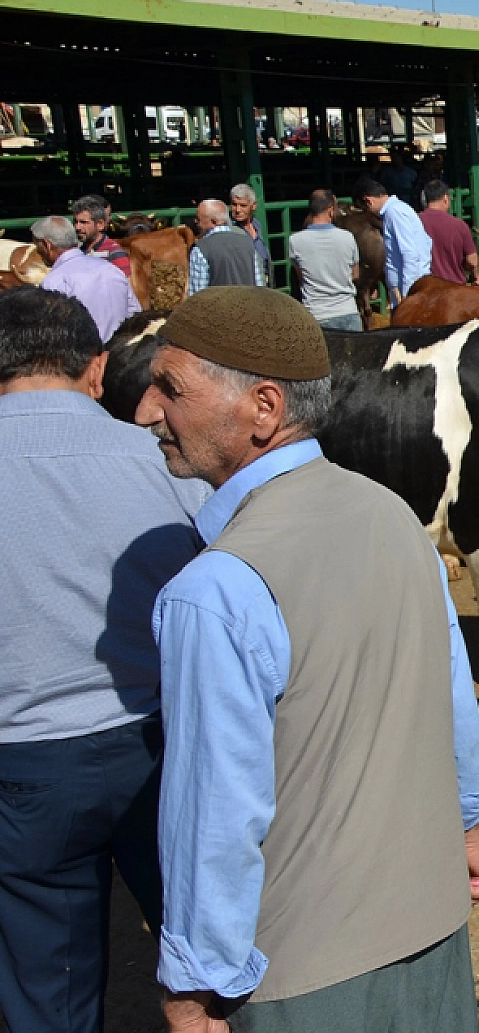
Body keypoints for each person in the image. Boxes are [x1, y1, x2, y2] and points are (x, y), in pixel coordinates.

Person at [135, 286, 479, 1033]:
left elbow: (215, 814)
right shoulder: (392, 515)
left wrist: (195, 985)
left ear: (264, 407)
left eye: (170, 388)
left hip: (303, 973)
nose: (145, 411)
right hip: (431, 924)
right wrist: (464, 826)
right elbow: (453, 705)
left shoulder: (214, 590)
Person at [0, 289, 207, 1033]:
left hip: (24, 761)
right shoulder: (163, 461)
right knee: (204, 939)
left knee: (46, 983)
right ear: (96, 368)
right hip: (158, 740)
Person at [34, 215, 140, 340]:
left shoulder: (54, 282)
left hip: (82, 351)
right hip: (118, 349)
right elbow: (135, 314)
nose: (37, 251)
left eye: (37, 246)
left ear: (47, 245)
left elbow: (51, 333)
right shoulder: (111, 269)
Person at [285, 190, 362, 330]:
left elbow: (301, 278)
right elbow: (355, 274)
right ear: (331, 210)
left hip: (317, 314)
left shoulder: (295, 241)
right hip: (347, 311)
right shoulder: (348, 237)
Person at [352, 176, 432, 301]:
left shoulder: (394, 212)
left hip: (408, 289)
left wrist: (407, 294)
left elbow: (409, 253)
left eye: (364, 209)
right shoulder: (396, 210)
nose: (367, 213)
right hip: (407, 288)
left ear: (368, 201)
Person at [188, 200, 263, 295]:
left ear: (213, 221)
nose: (196, 222)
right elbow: (259, 284)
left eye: (199, 219)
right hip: (248, 302)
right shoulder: (248, 243)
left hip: (217, 304)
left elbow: (197, 295)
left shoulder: (200, 249)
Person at [417, 179, 479, 286]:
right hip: (455, 288)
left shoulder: (415, 222)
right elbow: (472, 261)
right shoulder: (459, 225)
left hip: (426, 288)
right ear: (445, 198)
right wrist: (475, 277)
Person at [70, 194, 131, 276]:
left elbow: (125, 282)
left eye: (83, 222)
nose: (77, 227)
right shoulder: (76, 252)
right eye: (75, 222)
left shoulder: (114, 253)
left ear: (100, 224)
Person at [228, 184, 271, 287]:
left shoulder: (256, 224)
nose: (238, 210)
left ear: (253, 205)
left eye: (243, 205)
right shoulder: (228, 229)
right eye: (234, 204)